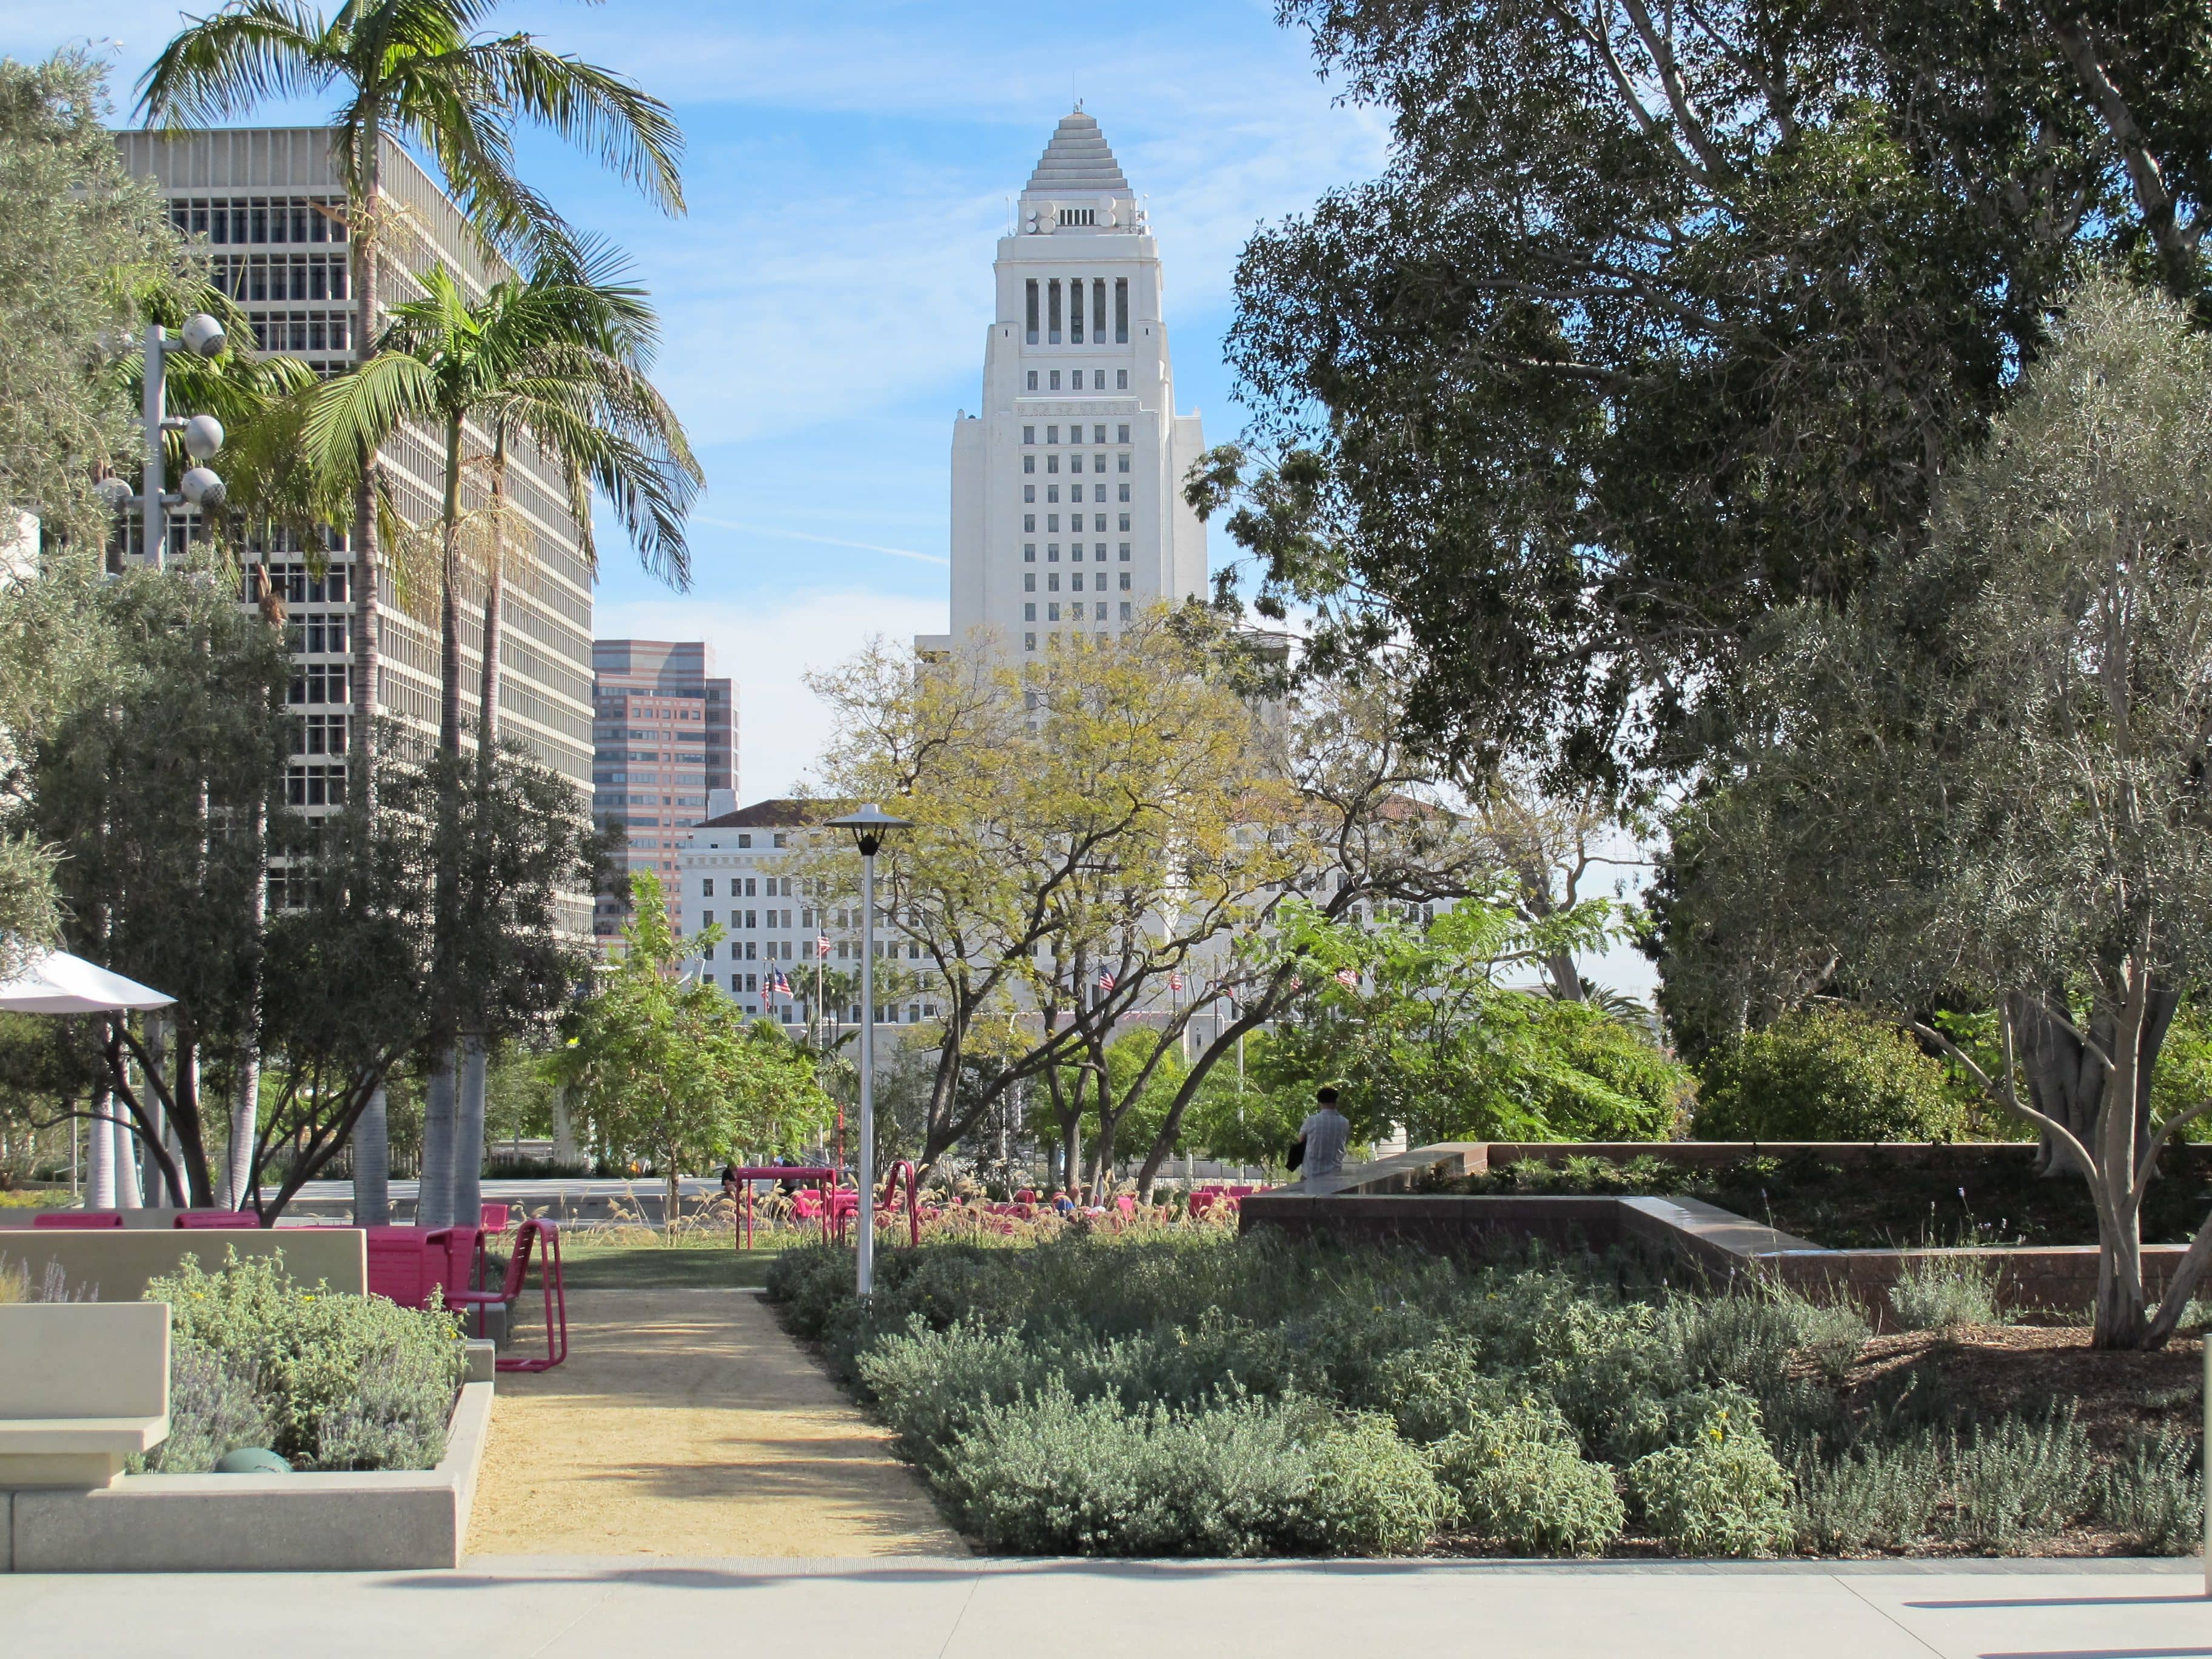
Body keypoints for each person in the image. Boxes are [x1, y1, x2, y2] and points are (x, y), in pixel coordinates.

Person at [1289, 1087, 1352, 1181]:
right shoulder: (1345, 1122)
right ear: (1336, 1102)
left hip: (1311, 1173)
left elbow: (1301, 1140)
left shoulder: (1311, 1121)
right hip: (1334, 1175)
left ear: (1319, 1103)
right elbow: (1345, 1142)